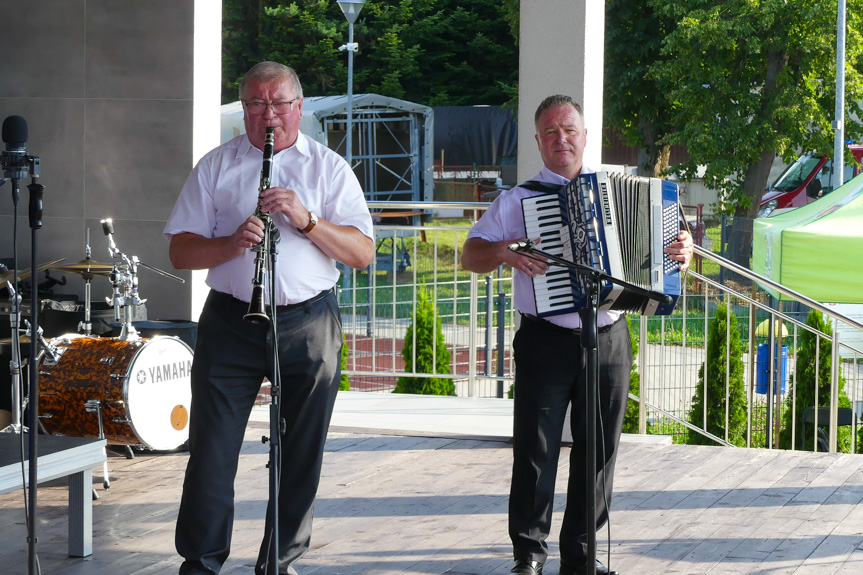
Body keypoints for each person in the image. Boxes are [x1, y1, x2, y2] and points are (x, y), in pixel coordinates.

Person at [461, 95, 693, 575]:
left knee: (600, 452)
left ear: (585, 136)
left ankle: (582, 559)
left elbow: (672, 248)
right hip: (545, 338)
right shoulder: (519, 199)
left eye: (569, 130)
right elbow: (471, 255)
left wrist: (685, 250)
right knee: (535, 450)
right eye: (550, 132)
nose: (560, 139)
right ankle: (528, 555)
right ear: (538, 141)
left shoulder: (620, 188)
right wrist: (505, 251)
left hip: (609, 336)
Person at [164, 61, 374, 575]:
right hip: (231, 320)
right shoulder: (216, 165)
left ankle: (279, 559)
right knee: (213, 447)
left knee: (302, 448)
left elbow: (362, 252)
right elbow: (180, 253)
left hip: (309, 322)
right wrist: (230, 243)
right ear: (244, 112)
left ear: (298, 107)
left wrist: (306, 220)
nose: (269, 114)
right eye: (257, 104)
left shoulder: (328, 168)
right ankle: (201, 560)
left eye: (279, 103)